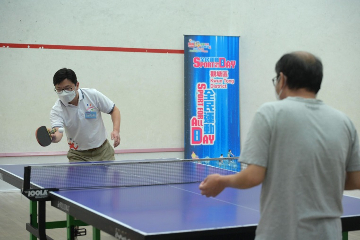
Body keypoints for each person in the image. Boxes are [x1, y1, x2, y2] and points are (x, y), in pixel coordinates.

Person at [199, 51, 360, 240]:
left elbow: (253, 176)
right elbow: (356, 180)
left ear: (282, 79)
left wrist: (222, 181)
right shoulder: (344, 122)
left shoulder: (270, 113)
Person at [49, 68, 121, 162]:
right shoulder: (57, 110)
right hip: (78, 156)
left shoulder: (92, 95)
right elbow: (59, 131)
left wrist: (116, 130)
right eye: (59, 89)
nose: (64, 93)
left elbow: (114, 110)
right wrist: (53, 137)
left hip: (103, 152)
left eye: (67, 88)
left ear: (77, 85)